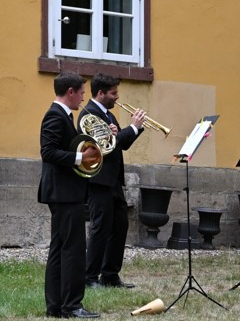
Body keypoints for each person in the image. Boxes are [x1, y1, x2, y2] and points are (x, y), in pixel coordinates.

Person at [38, 72, 100, 318]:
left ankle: (55, 306)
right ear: (71, 92)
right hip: (64, 193)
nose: (83, 97)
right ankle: (72, 306)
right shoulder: (55, 115)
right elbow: (48, 152)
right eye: (82, 92)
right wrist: (80, 157)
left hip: (64, 192)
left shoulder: (64, 115)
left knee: (60, 248)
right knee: (73, 250)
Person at [80, 73, 146, 288]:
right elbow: (107, 146)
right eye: (113, 93)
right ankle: (90, 277)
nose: (117, 97)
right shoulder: (89, 114)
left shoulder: (107, 114)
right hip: (99, 181)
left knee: (120, 225)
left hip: (113, 181)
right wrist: (132, 127)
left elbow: (120, 144)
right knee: (100, 228)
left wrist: (134, 129)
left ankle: (110, 275)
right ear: (101, 93)